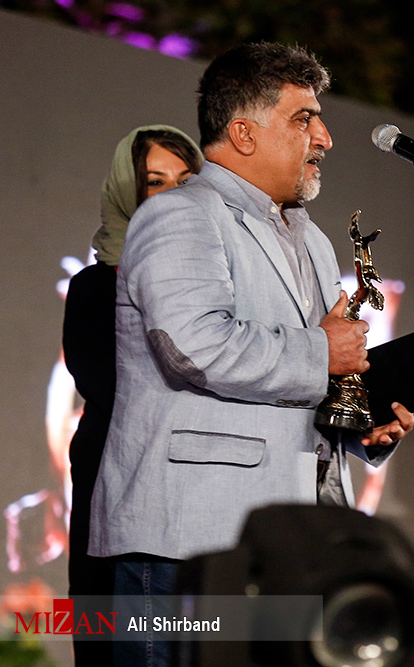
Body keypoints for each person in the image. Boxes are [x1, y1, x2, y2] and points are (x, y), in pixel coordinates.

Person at [88, 43, 414, 666]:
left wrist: (357, 427)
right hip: (186, 538)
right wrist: (321, 355)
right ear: (242, 132)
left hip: (287, 542)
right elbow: (195, 346)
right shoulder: (180, 215)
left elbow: (302, 381)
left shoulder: (312, 239)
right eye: (303, 118)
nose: (324, 137)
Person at [63, 125, 202, 667]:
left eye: (187, 180)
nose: (174, 193)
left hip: (198, 498)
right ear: (130, 191)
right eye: (156, 181)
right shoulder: (96, 287)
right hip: (117, 486)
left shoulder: (216, 280)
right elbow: (114, 388)